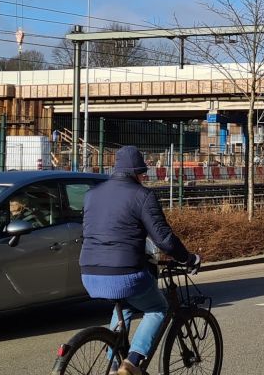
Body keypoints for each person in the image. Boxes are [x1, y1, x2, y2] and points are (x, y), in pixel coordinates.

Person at [80, 146, 199, 375]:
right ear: (136, 172)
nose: (144, 177)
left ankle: (113, 367)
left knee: (124, 305)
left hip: (89, 273)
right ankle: (131, 363)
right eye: (142, 172)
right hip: (125, 274)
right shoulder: (142, 196)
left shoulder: (91, 195)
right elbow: (164, 239)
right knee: (158, 308)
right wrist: (189, 258)